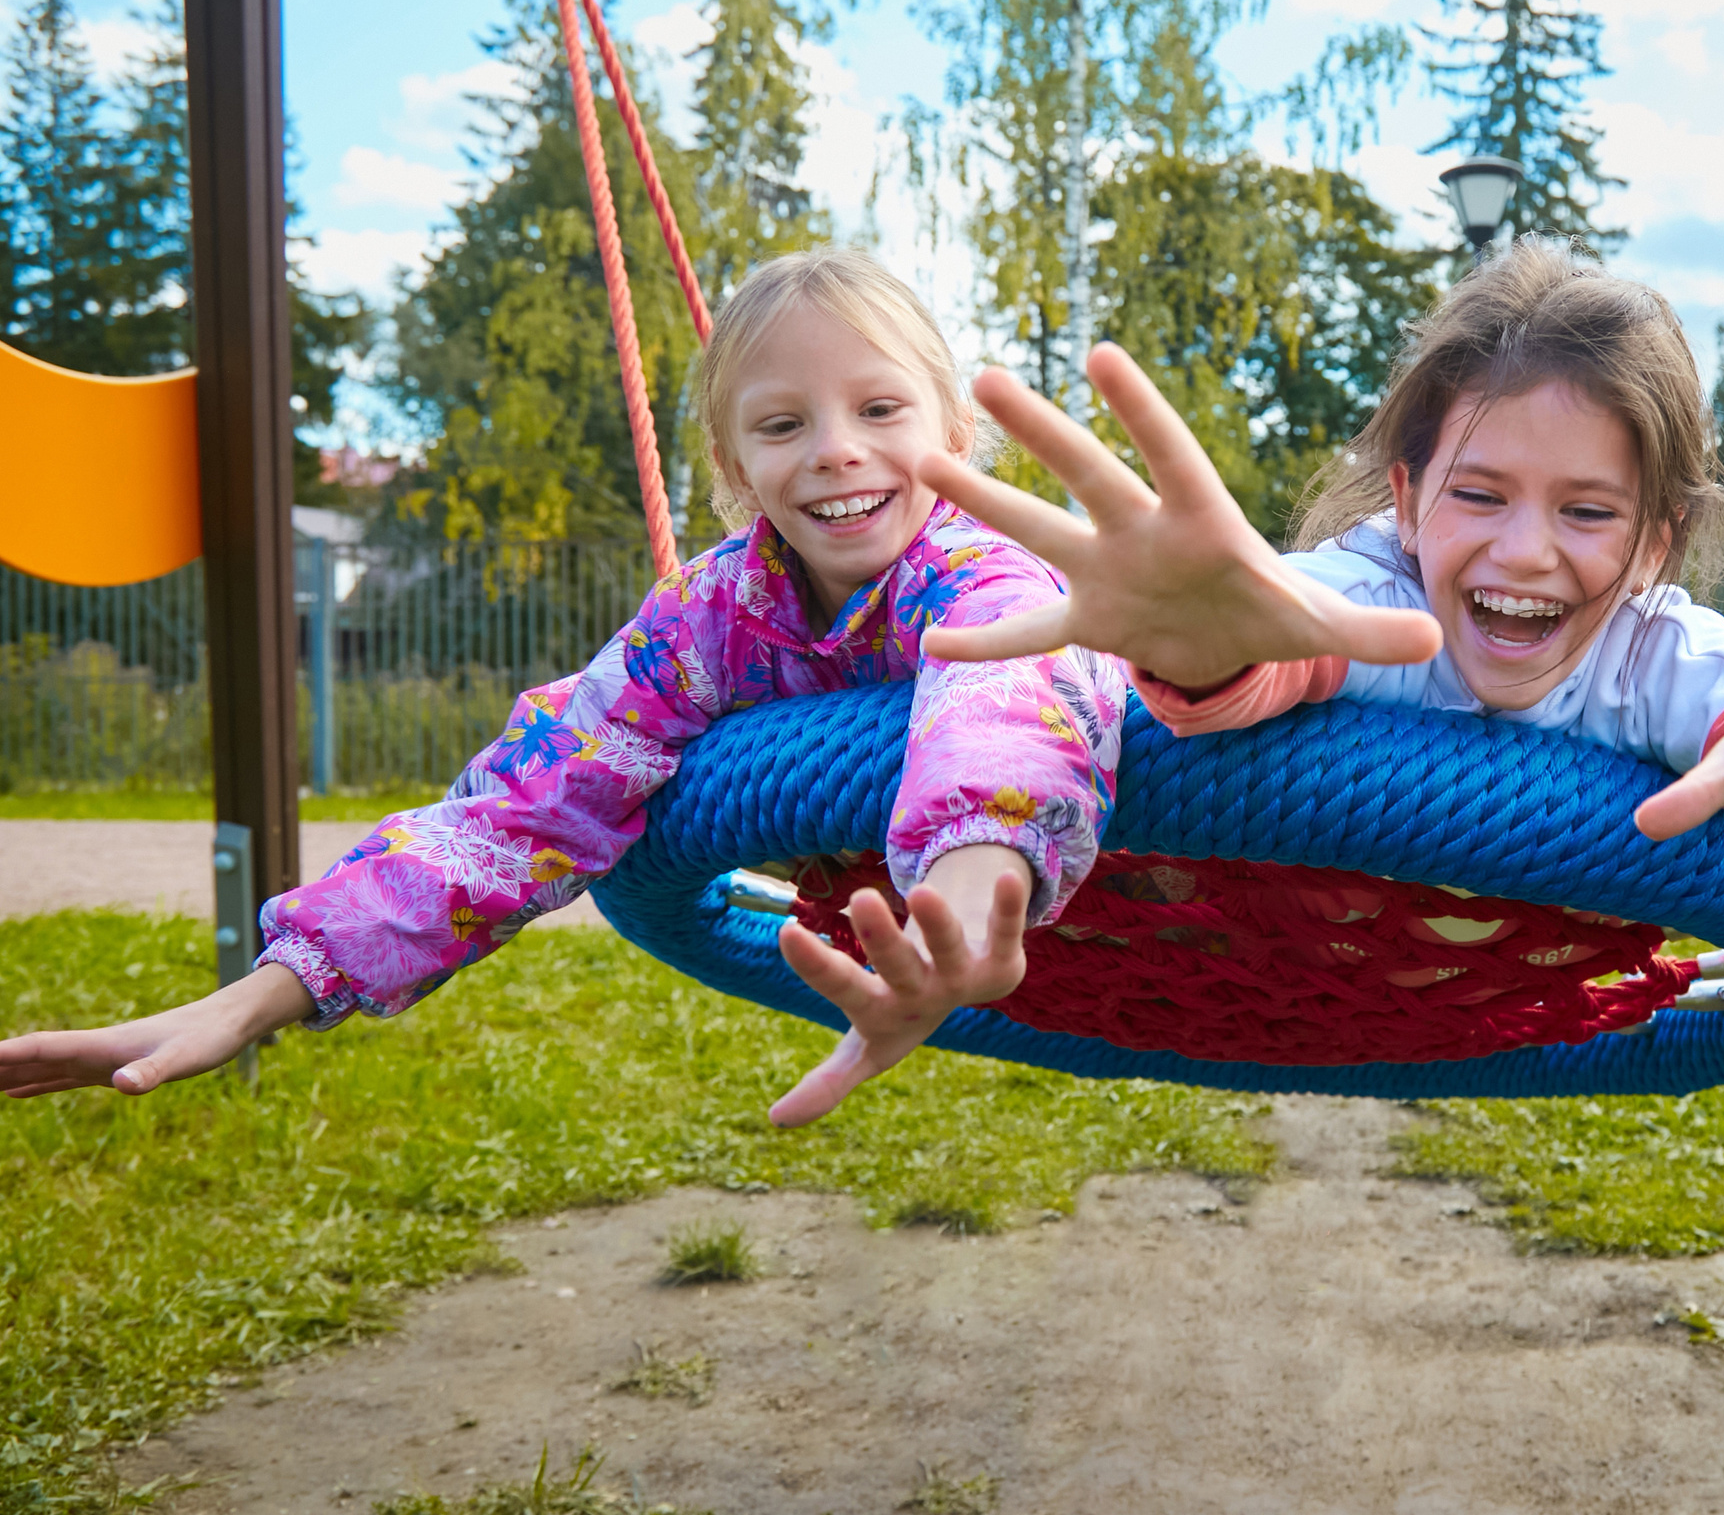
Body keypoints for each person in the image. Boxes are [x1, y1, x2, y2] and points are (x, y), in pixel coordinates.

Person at [0, 249, 1125, 1124]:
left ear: (955, 434)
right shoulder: (710, 617)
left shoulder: (988, 571)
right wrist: (261, 992)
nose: (834, 450)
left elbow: (1008, 704)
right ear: (735, 469)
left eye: (880, 410)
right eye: (784, 424)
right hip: (950, 923)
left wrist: (967, 906)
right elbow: (523, 805)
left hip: (1113, 900)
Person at [916, 240, 1724, 900]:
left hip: (1509, 984)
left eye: (1587, 511)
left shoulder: (1654, 660)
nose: (1525, 552)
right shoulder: (1371, 598)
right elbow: (1274, 656)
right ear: (1409, 501)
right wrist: (1199, 642)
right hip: (1274, 952)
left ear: (1655, 543)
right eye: (1477, 495)